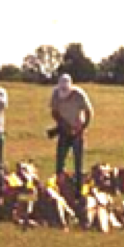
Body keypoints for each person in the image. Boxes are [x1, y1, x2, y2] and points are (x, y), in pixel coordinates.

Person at [50, 73, 94, 204]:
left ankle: (78, 192)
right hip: (63, 132)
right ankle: (60, 189)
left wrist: (82, 127)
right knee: (60, 162)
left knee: (78, 163)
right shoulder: (56, 93)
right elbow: (54, 111)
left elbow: (89, 112)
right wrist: (62, 124)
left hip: (77, 132)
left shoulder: (79, 94)